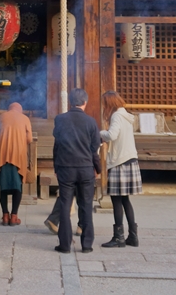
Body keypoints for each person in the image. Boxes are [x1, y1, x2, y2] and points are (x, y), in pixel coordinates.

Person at [52, 88, 101, 254]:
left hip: (65, 167)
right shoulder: (91, 122)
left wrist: (56, 167)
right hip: (86, 167)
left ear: (70, 102)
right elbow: (94, 147)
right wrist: (97, 168)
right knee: (86, 204)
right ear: (85, 102)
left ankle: (65, 244)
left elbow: (57, 144)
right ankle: (87, 244)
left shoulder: (60, 119)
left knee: (65, 205)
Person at [99, 91, 141, 248]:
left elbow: (112, 135)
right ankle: (133, 236)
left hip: (120, 161)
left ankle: (119, 238)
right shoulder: (126, 116)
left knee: (116, 200)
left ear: (110, 103)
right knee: (125, 200)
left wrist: (99, 133)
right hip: (130, 159)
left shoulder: (117, 116)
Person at [0, 101, 32, 226]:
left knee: (2, 185)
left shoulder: (1, 117)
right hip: (18, 155)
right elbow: (29, 139)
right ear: (19, 110)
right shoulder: (25, 118)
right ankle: (14, 216)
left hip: (2, 155)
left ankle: (5, 215)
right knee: (18, 185)